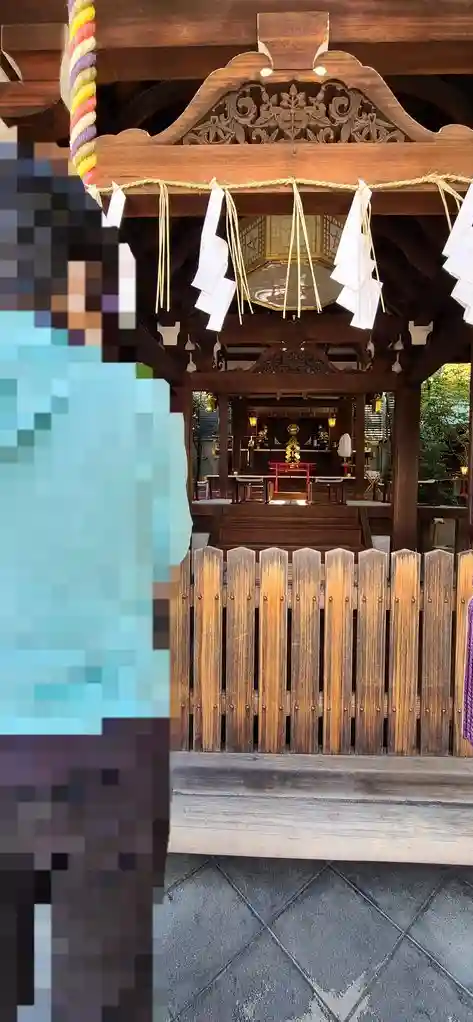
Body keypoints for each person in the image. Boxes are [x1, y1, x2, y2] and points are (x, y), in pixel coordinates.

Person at [0, 139, 191, 1020]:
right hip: (105, 751)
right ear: (76, 279)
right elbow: (163, 565)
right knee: (100, 995)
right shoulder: (138, 408)